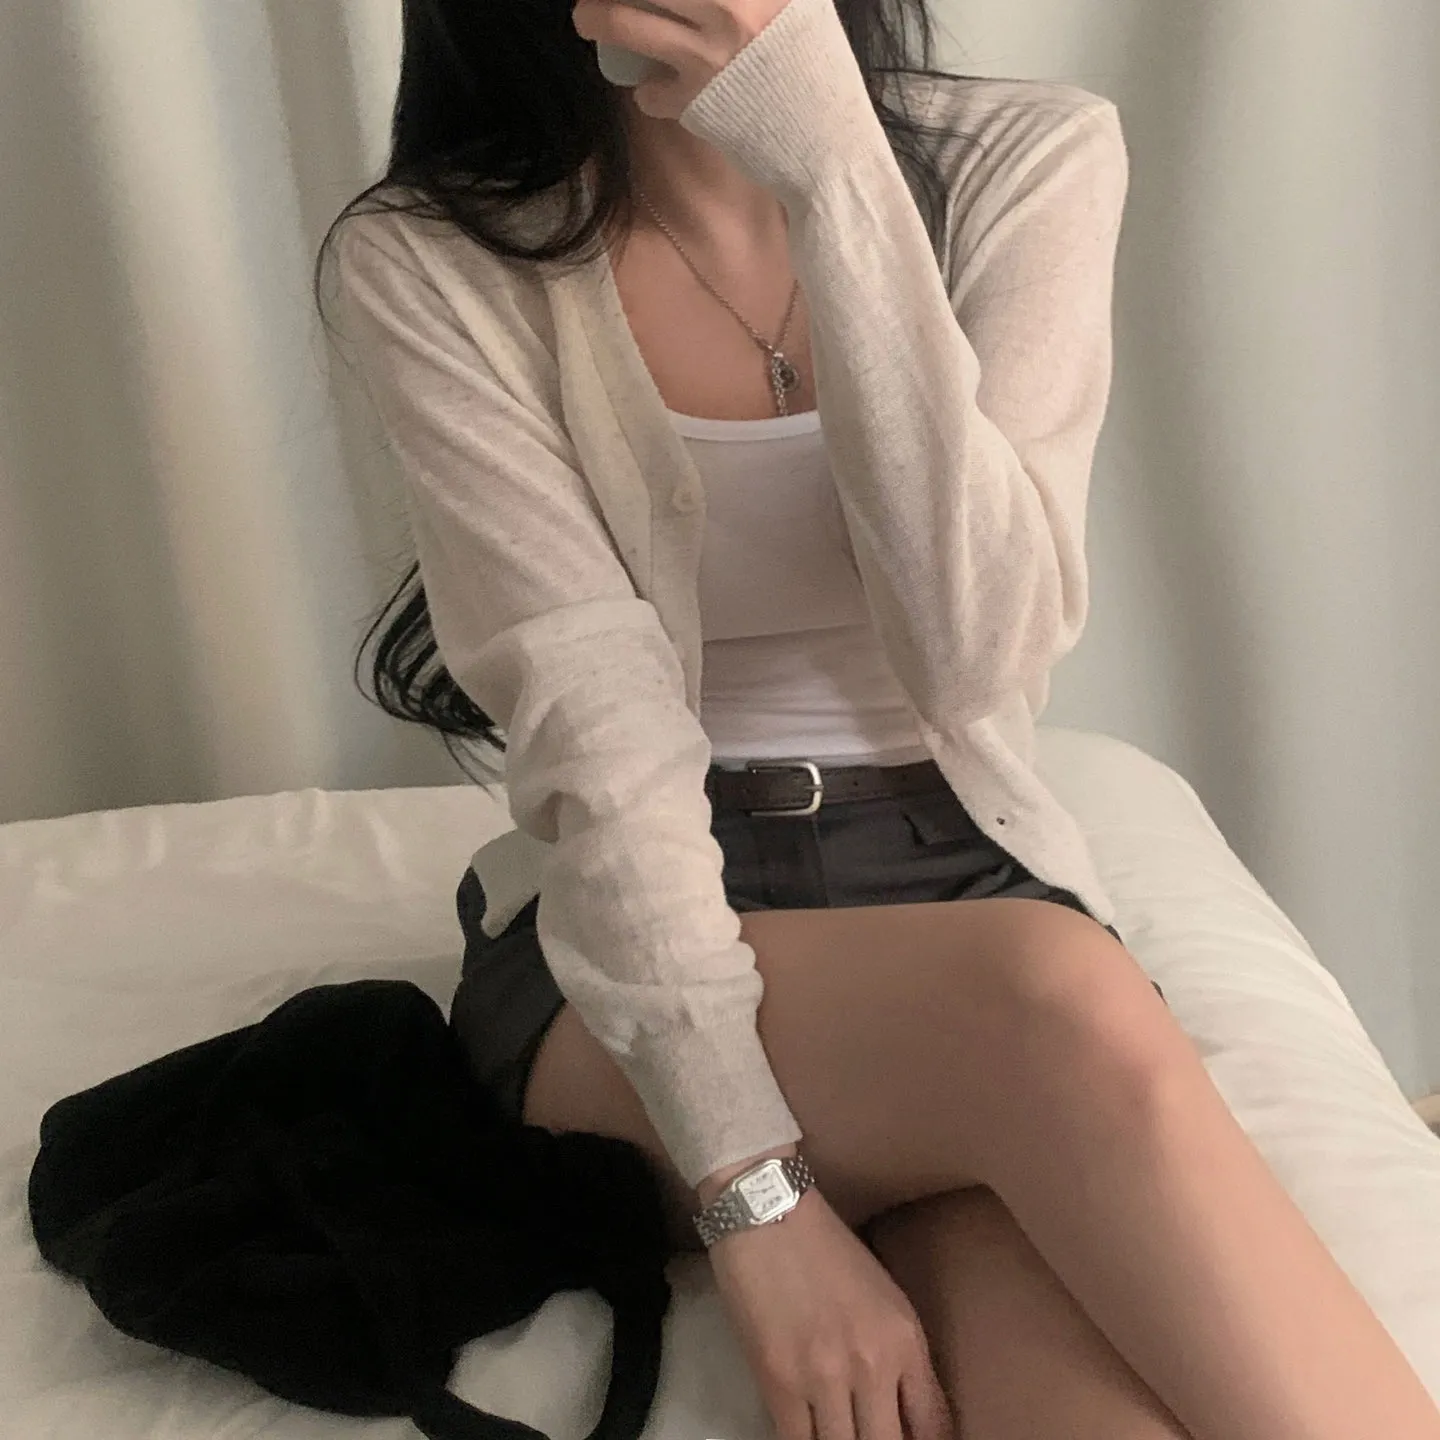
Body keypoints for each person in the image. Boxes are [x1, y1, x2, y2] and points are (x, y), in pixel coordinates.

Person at [319, 1, 1440, 1436]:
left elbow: (979, 650)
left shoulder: (1027, 159)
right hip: (627, 952)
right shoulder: (433, 255)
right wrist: (761, 1205)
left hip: (957, 882)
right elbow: (597, 737)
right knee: (1056, 1003)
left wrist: (832, 166)